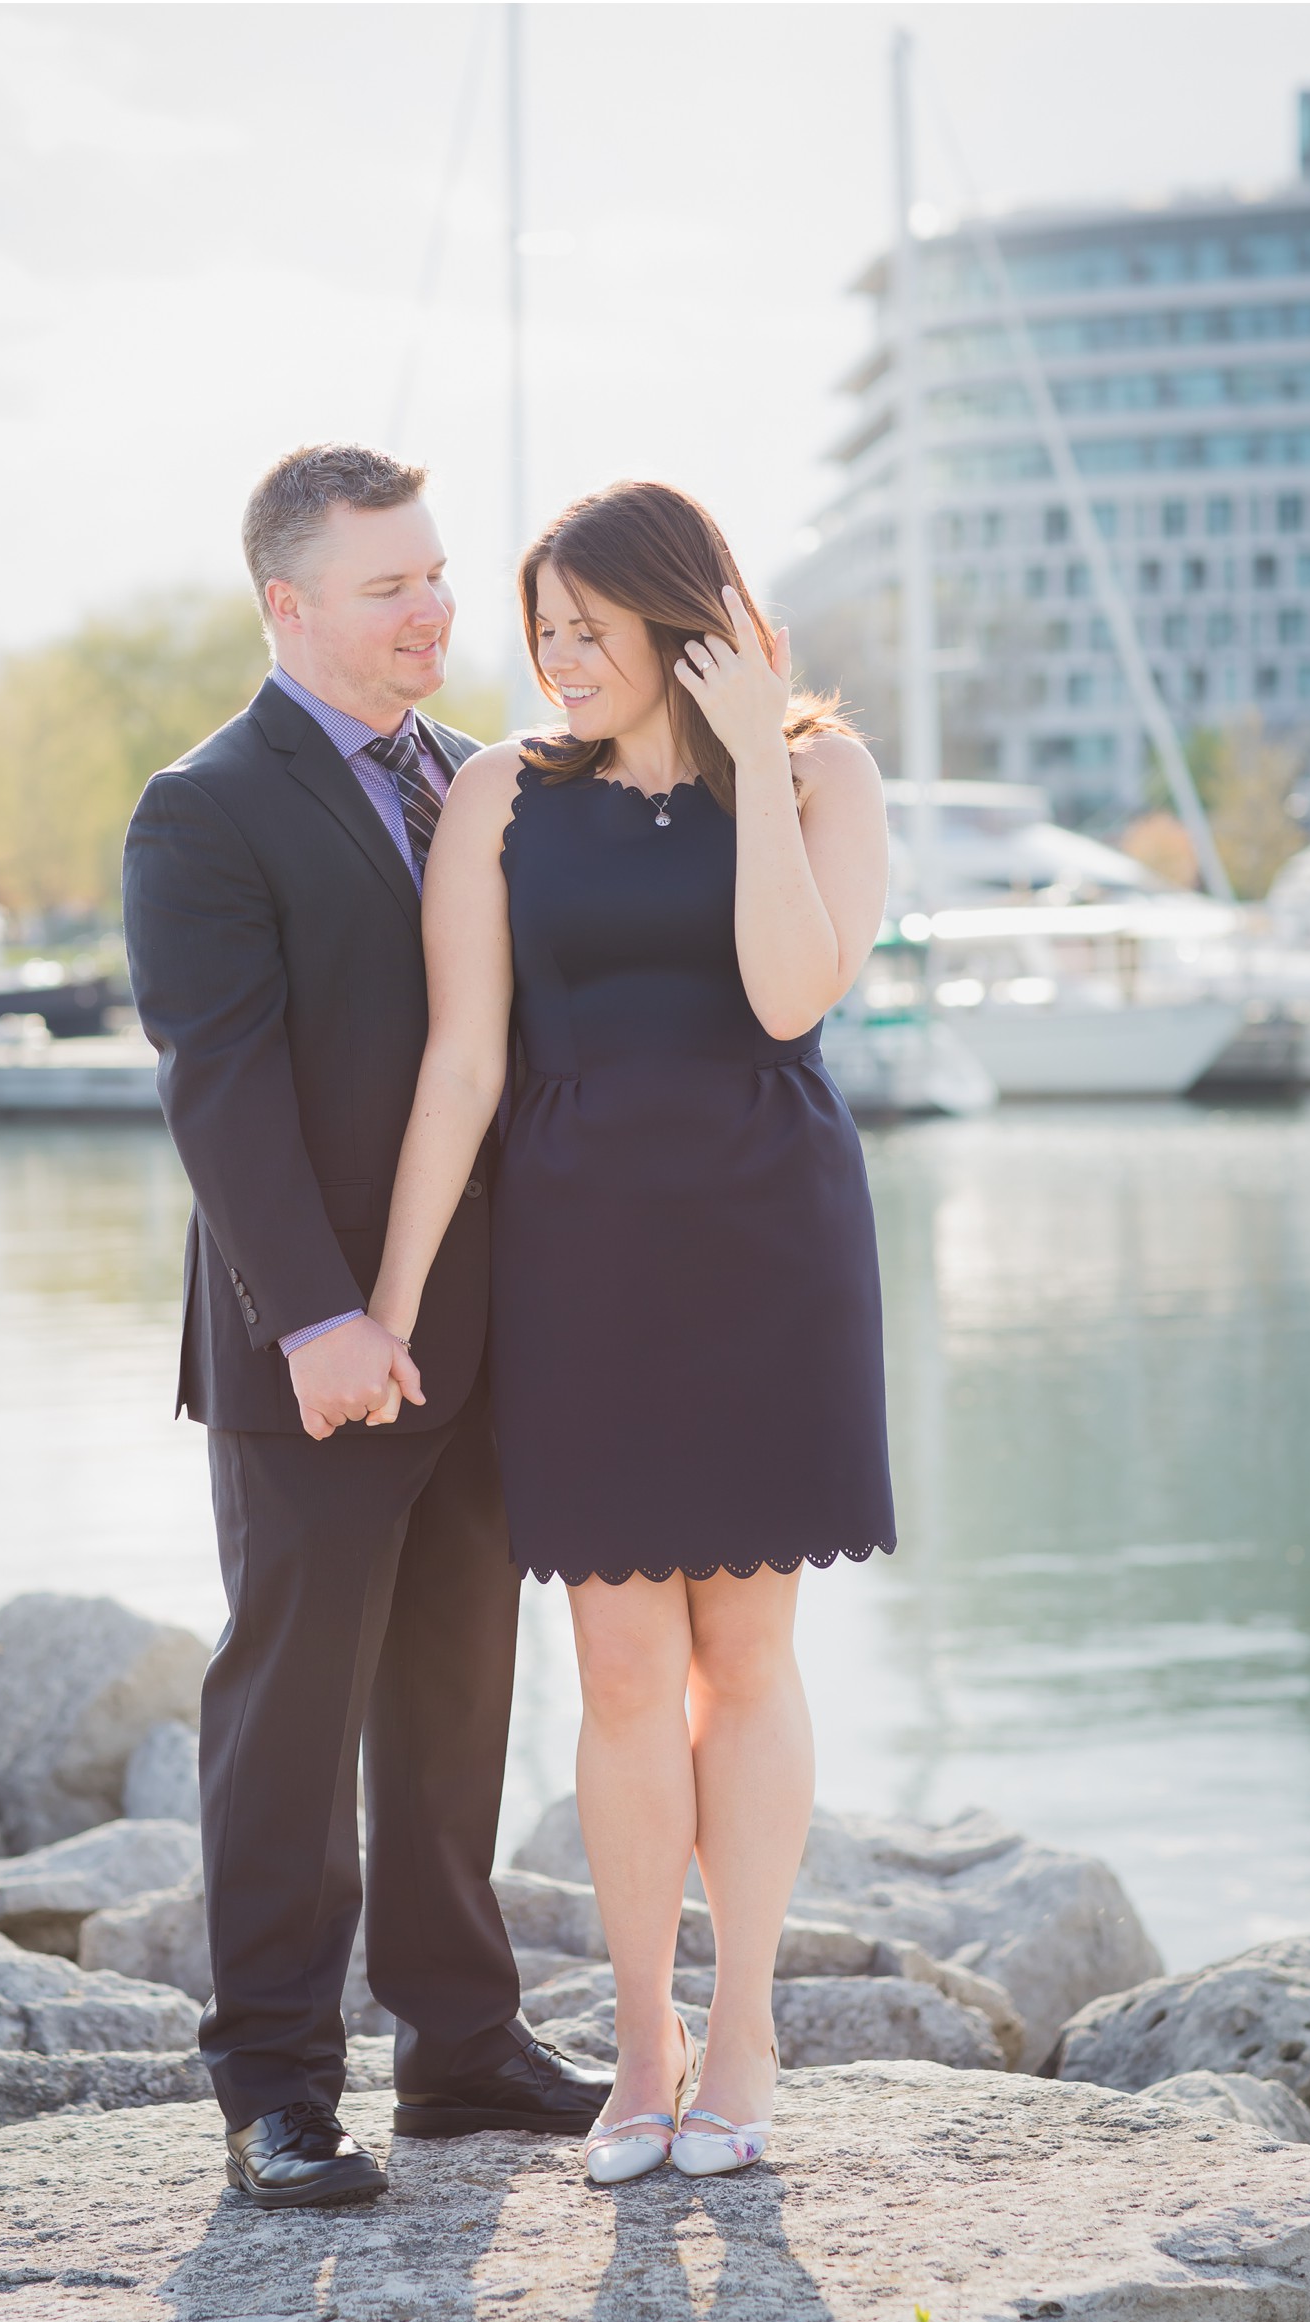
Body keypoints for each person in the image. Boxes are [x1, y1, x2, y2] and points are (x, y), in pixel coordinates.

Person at [364, 478, 896, 2184]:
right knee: (615, 1673)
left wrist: (749, 760)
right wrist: (388, 1297)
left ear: (689, 616)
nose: (555, 657)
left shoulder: (821, 776)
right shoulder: (500, 794)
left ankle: (743, 2035)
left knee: (747, 1658)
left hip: (770, 1246)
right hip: (580, 1258)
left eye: (590, 627)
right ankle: (644, 2044)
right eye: (542, 632)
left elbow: (790, 995)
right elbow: (463, 1060)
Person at [122, 443, 610, 2212]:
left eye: (436, 573)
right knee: (290, 1702)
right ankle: (271, 2080)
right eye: (389, 582)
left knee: (454, 1694)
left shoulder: (487, 776)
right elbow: (221, 1089)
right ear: (289, 604)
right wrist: (319, 1313)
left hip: (484, 1335)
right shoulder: (206, 805)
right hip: (311, 1347)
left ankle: (461, 2046)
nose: (434, 608)